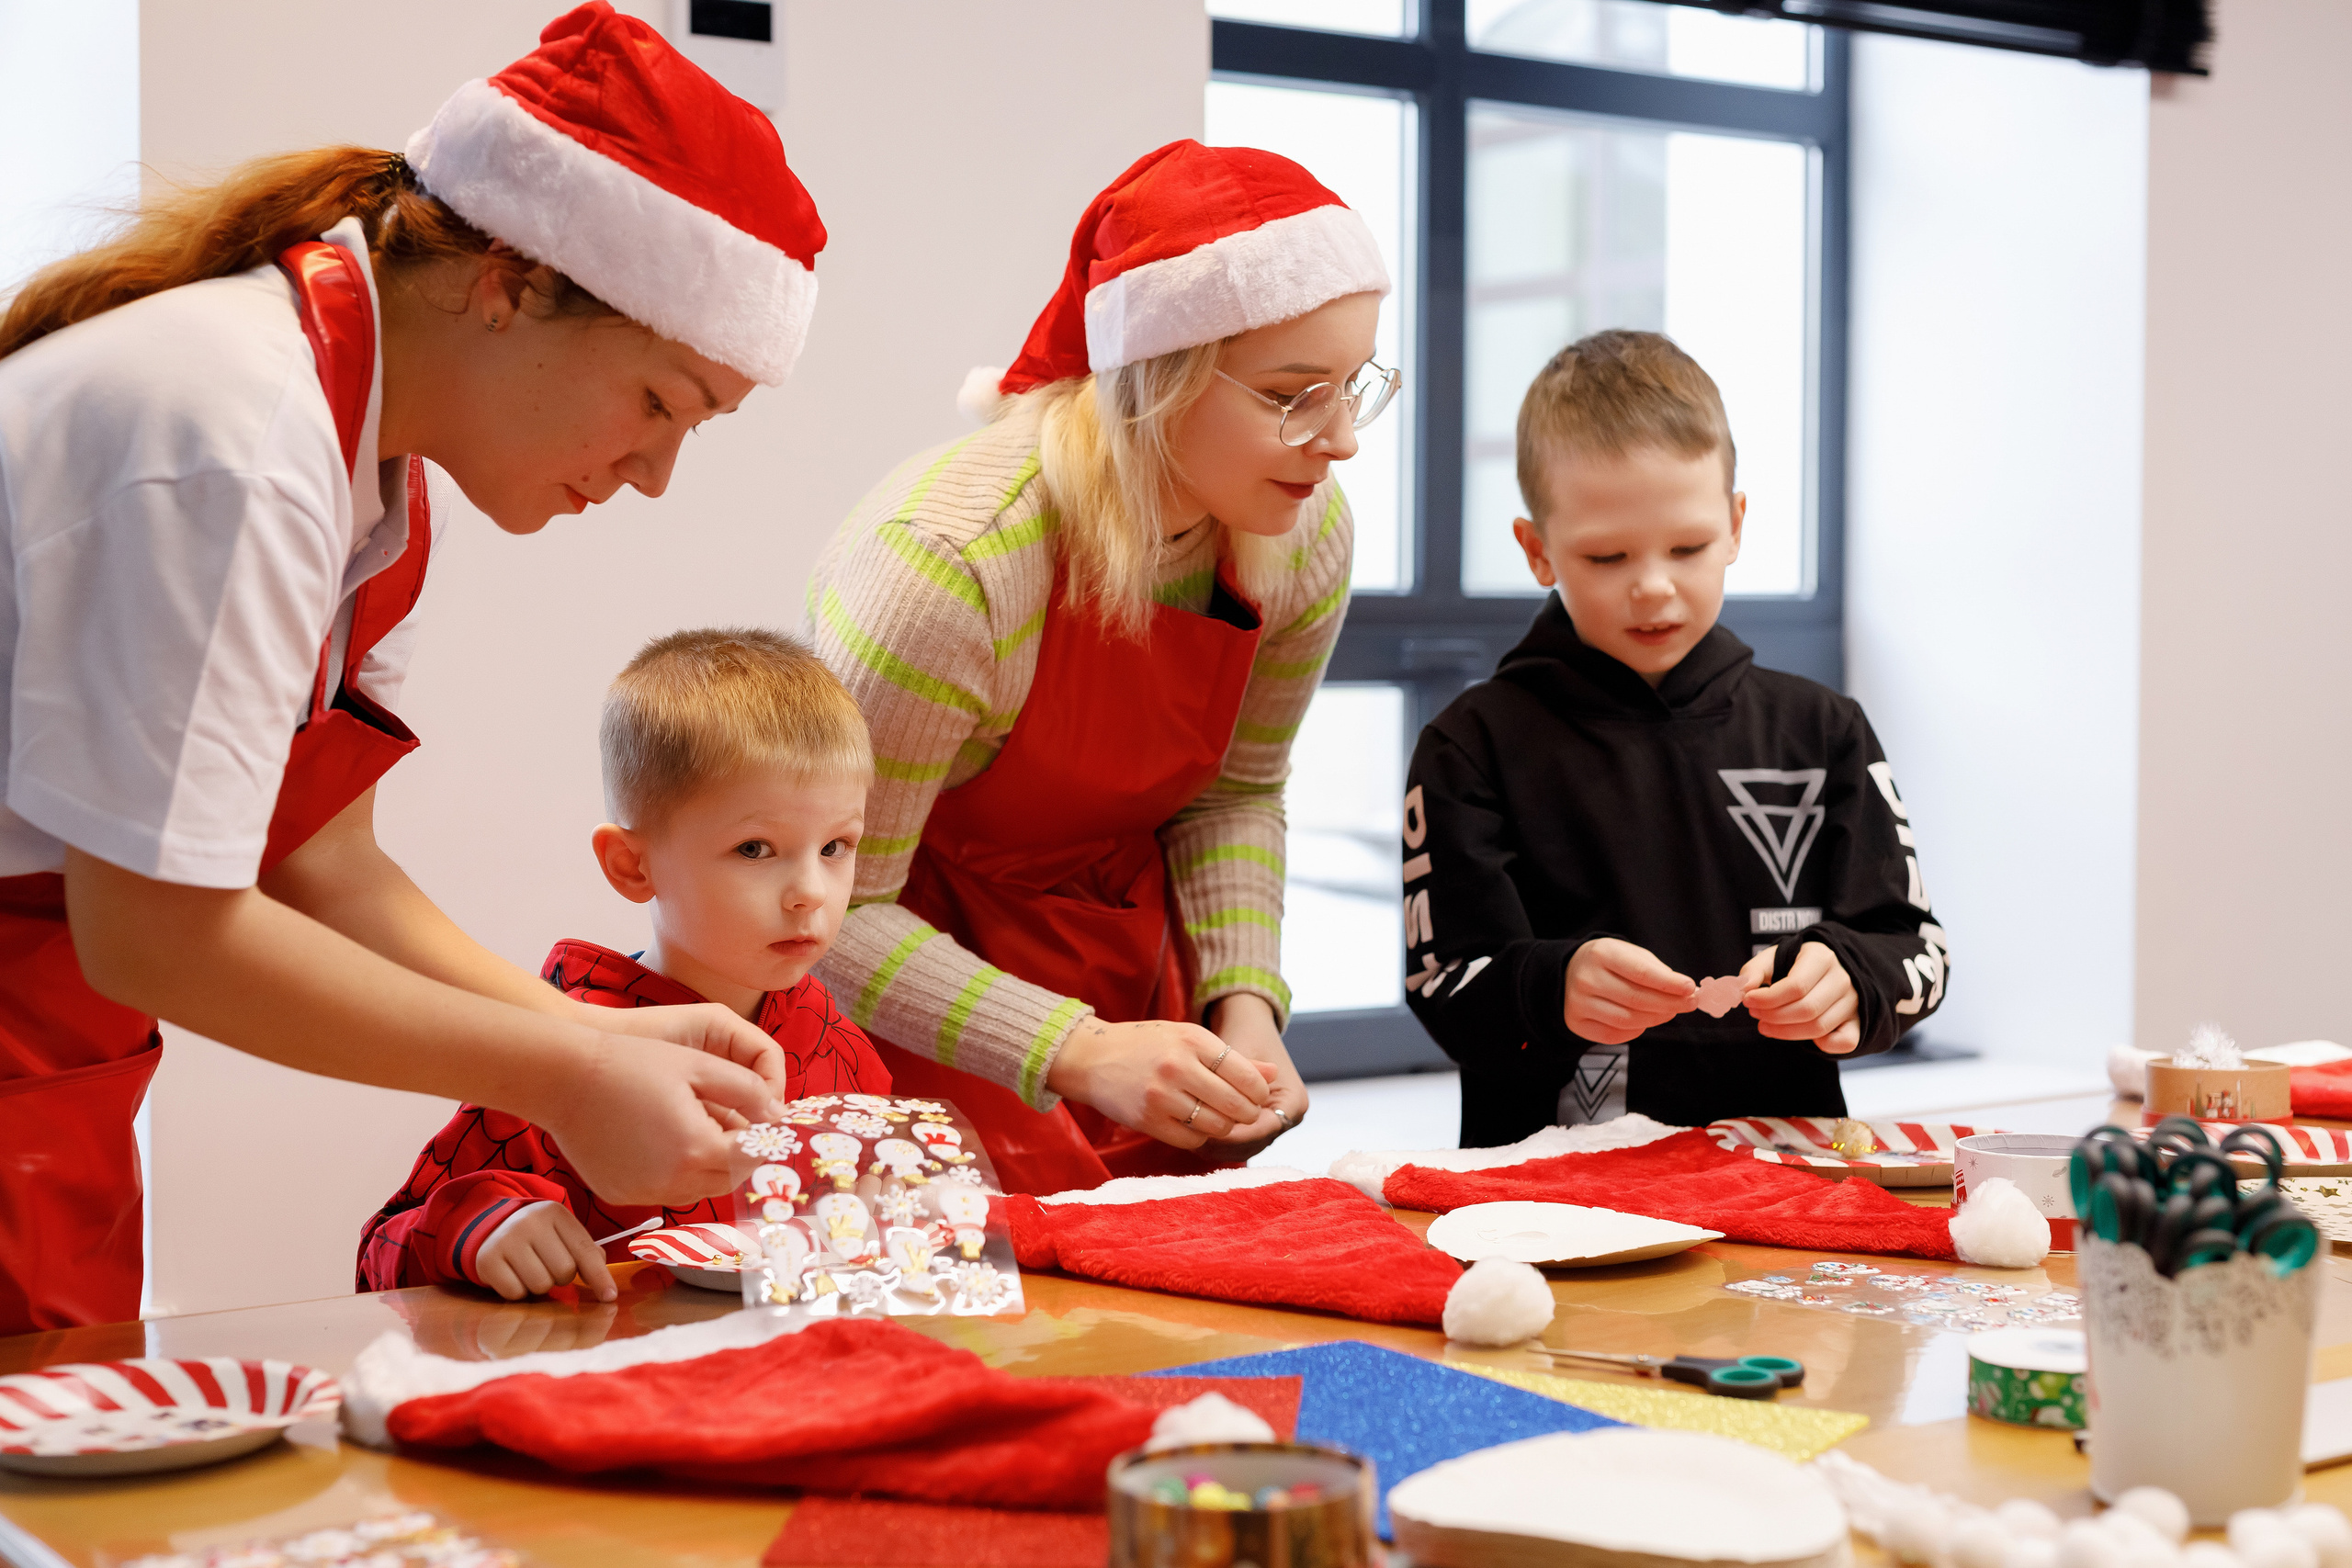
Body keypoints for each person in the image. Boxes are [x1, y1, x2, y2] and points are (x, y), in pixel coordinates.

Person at [0, 3, 831, 1334]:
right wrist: (561, 1074)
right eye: (661, 401)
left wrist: (601, 1039)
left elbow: (324, 860)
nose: (654, 474)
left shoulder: (375, 476)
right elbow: (155, 927)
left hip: (53, 1065)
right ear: (506, 279)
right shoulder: (240, 435)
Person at [806, 141, 1399, 1195]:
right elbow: (822, 912)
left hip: (1124, 965)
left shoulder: (1301, 536)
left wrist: (1243, 1004)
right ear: (1154, 377)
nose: (1340, 440)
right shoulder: (948, 566)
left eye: (1353, 386)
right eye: (1292, 394)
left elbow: (1236, 791)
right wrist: (1073, 1051)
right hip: (907, 985)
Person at [1402, 331, 1949, 1147]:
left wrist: (1855, 979)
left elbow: (1917, 949)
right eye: (1606, 554)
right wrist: (1552, 987)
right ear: (1538, 550)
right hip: (1552, 1201)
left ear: (1734, 526)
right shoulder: (1470, 746)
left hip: (1791, 1187)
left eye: (1688, 547)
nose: (1652, 584)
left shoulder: (1825, 730)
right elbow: (1443, 986)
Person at [360, 629, 890, 1300]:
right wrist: (484, 1229)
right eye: (756, 848)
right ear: (632, 865)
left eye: (837, 845)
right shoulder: (565, 1044)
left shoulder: (844, 1050)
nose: (811, 891)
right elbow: (385, 1251)